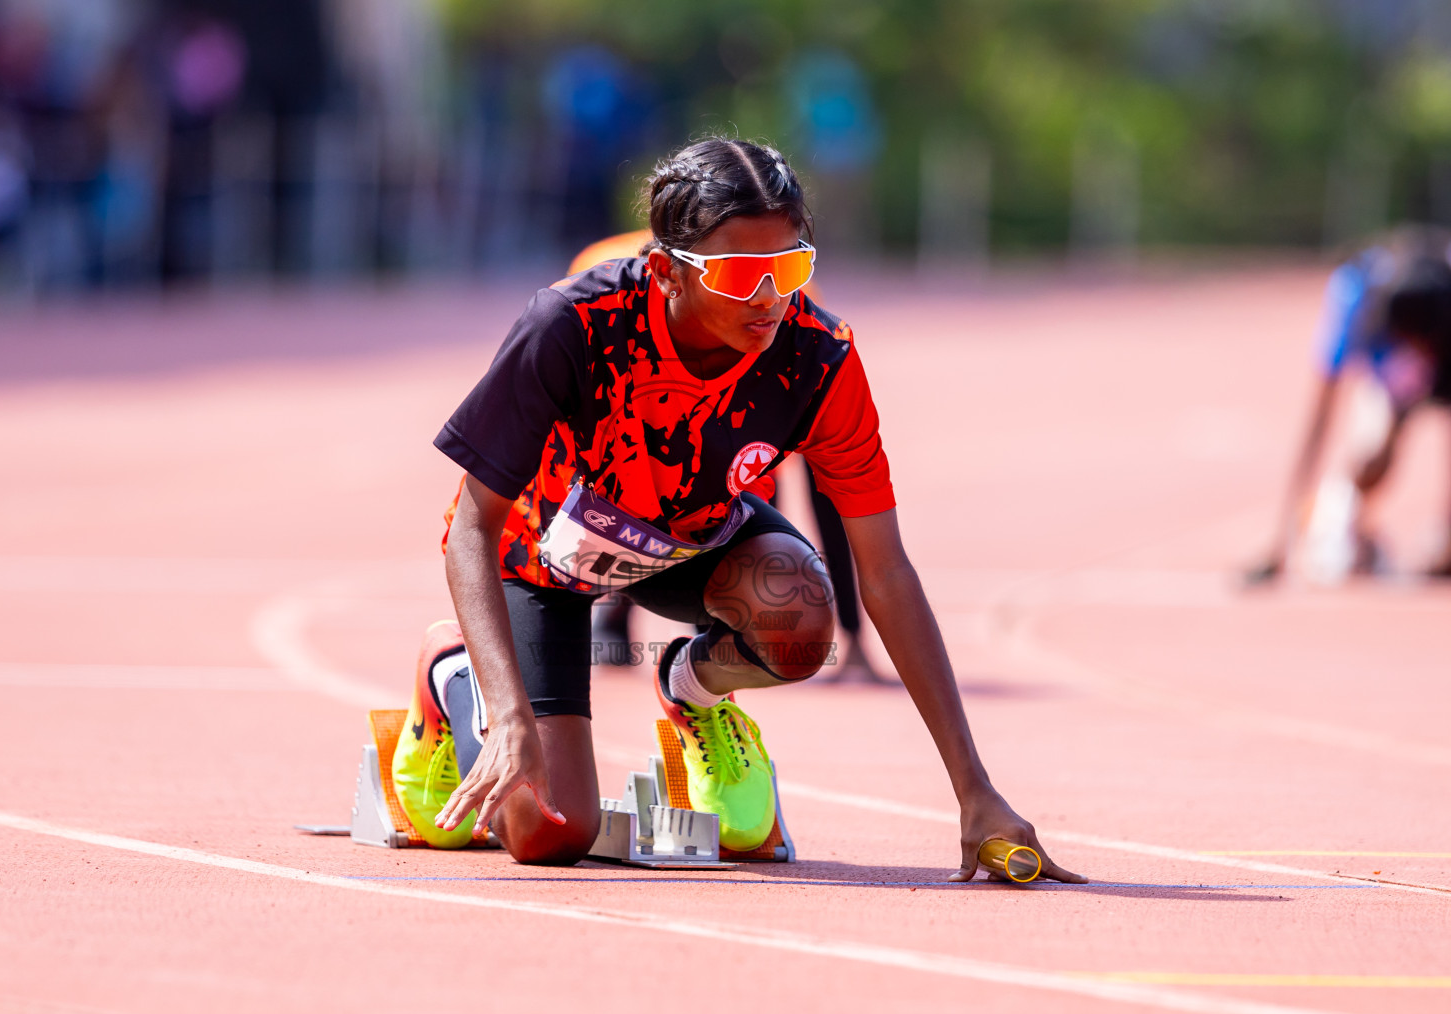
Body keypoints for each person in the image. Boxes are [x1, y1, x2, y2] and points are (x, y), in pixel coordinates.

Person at [394, 136, 1083, 883]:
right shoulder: (570, 325)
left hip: (689, 543)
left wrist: (973, 790)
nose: (769, 298)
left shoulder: (818, 359)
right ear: (667, 271)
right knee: (552, 832)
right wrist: (511, 715)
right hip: (545, 560)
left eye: (788, 267)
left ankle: (689, 687)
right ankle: (458, 675)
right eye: (739, 274)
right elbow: (470, 526)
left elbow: (884, 572)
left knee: (799, 618)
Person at [568, 231, 891, 683]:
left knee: (746, 513)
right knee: (625, 487)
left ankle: (674, 648)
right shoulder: (598, 279)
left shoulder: (789, 306)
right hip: (648, 429)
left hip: (741, 417)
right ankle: (620, 621)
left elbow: (823, 497)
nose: (763, 298)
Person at [1249, 227, 1451, 584]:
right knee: (1372, 452)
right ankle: (1351, 526)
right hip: (1391, 370)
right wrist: (1282, 540)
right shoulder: (1355, 297)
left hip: (1441, 352)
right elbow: (1321, 418)